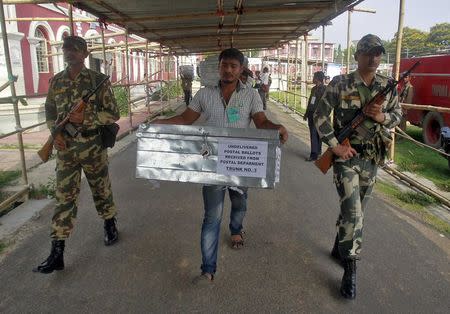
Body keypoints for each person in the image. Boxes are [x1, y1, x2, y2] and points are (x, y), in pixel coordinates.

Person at [154, 48, 288, 284]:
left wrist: (276, 127)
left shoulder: (251, 96)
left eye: (233, 66)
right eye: (224, 65)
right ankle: (208, 269)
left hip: (241, 162)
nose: (228, 70)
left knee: (239, 202)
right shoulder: (204, 95)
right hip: (212, 164)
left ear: (240, 69)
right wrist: (159, 123)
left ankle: (236, 229)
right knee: (211, 216)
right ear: (219, 67)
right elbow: (186, 119)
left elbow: (261, 121)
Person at [313, 34, 402, 299]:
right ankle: (350, 268)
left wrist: (382, 116)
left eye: (378, 53)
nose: (374, 57)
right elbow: (319, 114)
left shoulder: (387, 86)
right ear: (357, 56)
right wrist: (334, 146)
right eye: (368, 52)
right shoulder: (341, 83)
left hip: (372, 159)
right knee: (353, 212)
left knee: (357, 211)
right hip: (345, 158)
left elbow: (398, 115)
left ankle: (338, 245)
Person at [33, 36, 120, 274]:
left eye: (74, 49)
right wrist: (55, 133)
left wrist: (88, 118)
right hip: (66, 149)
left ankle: (109, 222)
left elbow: (113, 113)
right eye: (66, 49)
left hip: (92, 146)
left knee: (101, 188)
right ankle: (57, 251)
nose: (69, 52)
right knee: (64, 197)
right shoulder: (57, 81)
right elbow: (50, 111)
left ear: (84, 53)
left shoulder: (98, 81)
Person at [303, 71, 326, 161]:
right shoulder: (313, 89)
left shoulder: (324, 89)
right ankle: (317, 152)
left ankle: (314, 154)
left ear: (318, 78)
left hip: (318, 115)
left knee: (315, 134)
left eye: (314, 77)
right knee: (314, 134)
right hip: (311, 114)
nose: (313, 78)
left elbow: (325, 104)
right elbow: (310, 102)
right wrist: (306, 113)